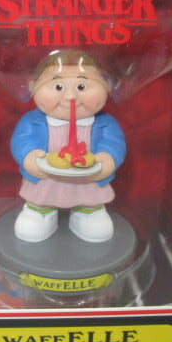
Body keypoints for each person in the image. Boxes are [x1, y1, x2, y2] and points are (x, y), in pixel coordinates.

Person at [11, 50, 126, 243]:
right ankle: (40, 212)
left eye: (82, 86)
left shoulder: (104, 122)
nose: (71, 96)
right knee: (41, 198)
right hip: (46, 180)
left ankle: (88, 213)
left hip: (87, 181)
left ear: (106, 86)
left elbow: (113, 142)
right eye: (58, 86)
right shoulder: (32, 121)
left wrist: (108, 159)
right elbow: (22, 139)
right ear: (33, 87)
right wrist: (29, 156)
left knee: (90, 199)